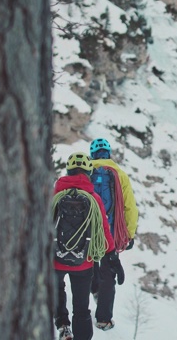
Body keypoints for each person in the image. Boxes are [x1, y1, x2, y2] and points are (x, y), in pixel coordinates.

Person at [52, 152, 119, 340]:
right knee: (81, 308)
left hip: (55, 260)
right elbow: (104, 233)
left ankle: (63, 326)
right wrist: (112, 256)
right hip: (84, 262)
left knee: (58, 292)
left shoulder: (55, 195)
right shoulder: (93, 198)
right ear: (88, 172)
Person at [89, 138, 139, 331]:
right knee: (108, 274)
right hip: (110, 234)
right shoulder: (119, 174)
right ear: (108, 153)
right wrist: (130, 233)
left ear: (93, 154)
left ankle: (92, 292)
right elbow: (130, 207)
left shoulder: (86, 172)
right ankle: (104, 319)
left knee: (88, 266)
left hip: (87, 233)